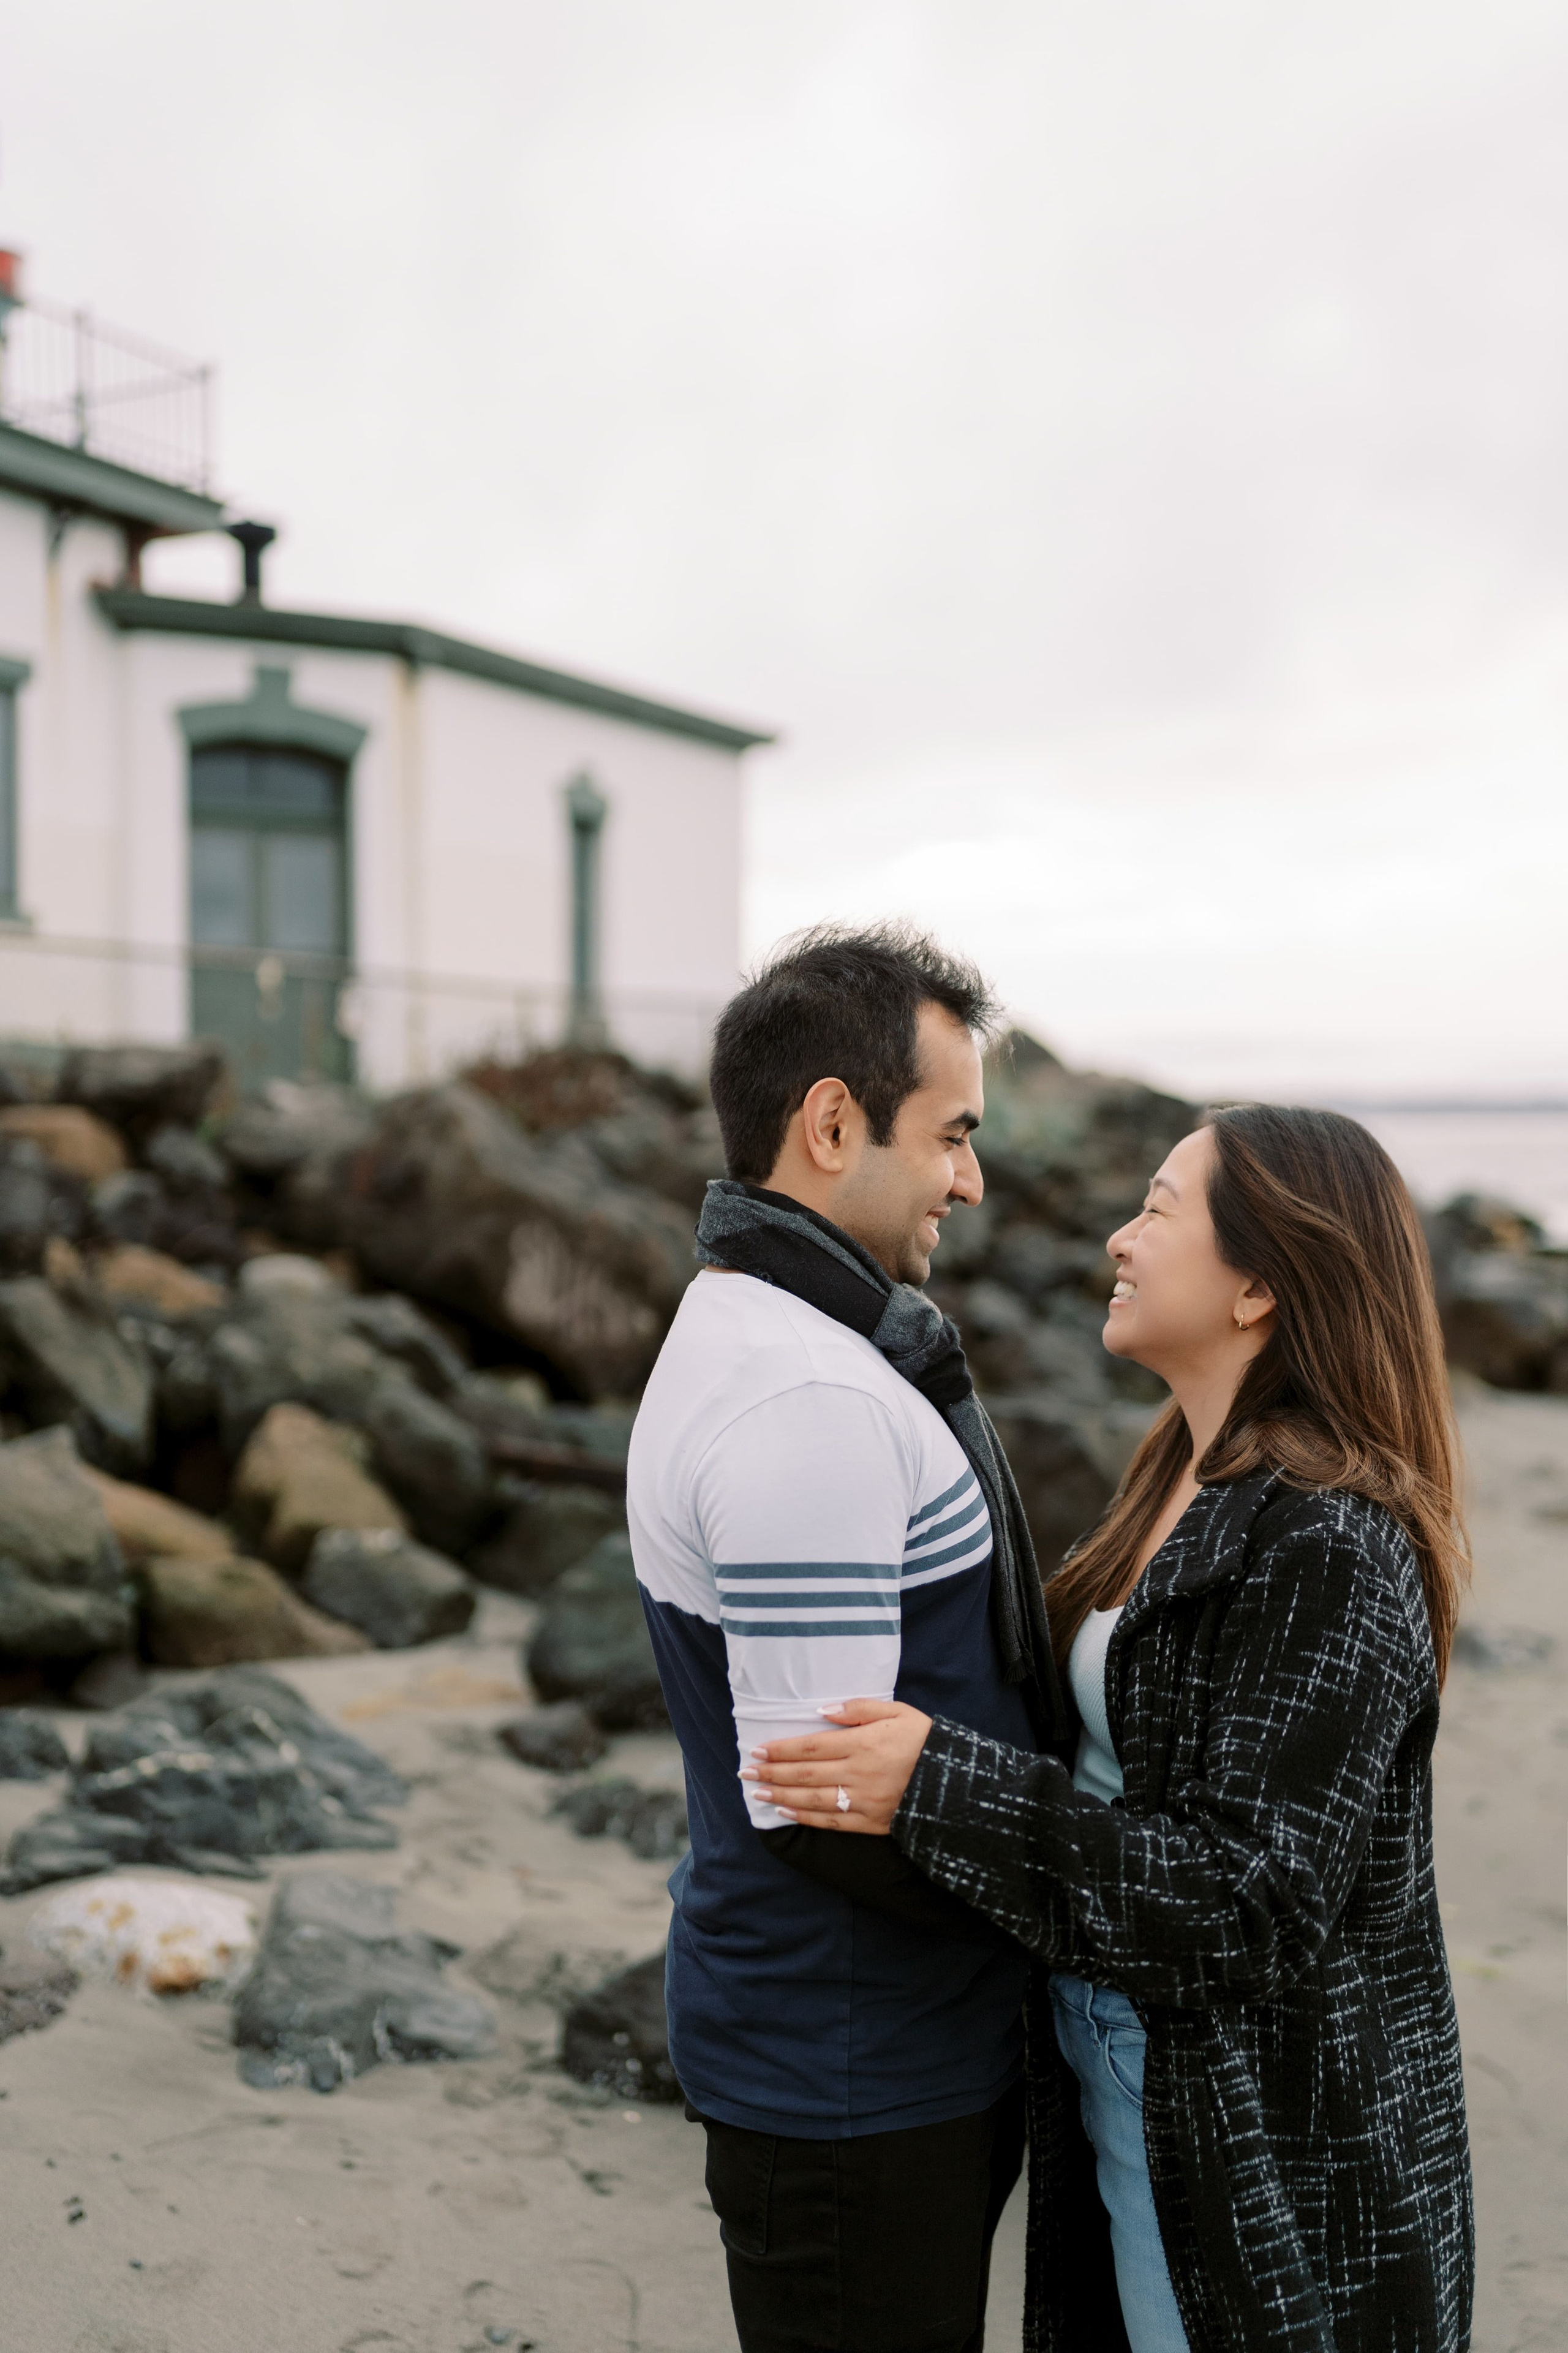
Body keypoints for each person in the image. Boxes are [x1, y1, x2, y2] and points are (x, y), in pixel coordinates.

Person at [750, 1106, 1476, 2353]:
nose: (1115, 1236)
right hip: (1120, 2082)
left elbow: (1246, 1903)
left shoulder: (1330, 1543)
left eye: (1156, 1208)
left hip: (1257, 2147)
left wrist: (938, 1786)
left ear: (1256, 1283)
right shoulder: (1176, 1474)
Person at [627, 925, 1065, 2353]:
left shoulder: (788, 1338)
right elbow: (820, 1799)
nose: (970, 1176)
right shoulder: (799, 1397)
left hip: (876, 2048)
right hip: (853, 2073)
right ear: (831, 1123)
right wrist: (1081, 1904)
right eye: (950, 1133)